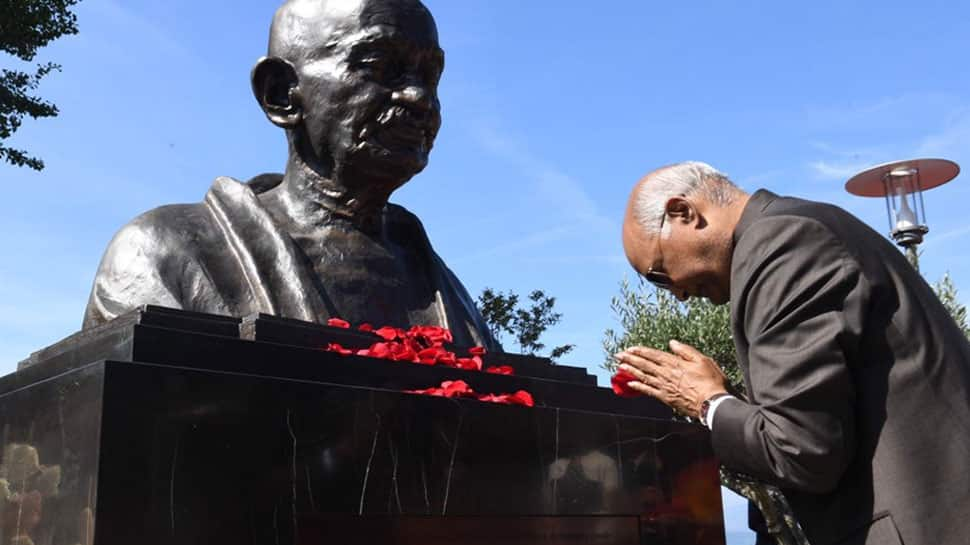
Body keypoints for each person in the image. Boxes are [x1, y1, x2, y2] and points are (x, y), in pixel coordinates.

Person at [83, 0, 498, 350]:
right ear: (281, 94)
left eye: (430, 76)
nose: (420, 98)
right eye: (380, 67)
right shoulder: (163, 253)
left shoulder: (442, 287)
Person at [614, 161, 970, 545]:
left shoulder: (780, 247)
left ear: (683, 213)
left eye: (659, 275)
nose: (679, 294)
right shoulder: (802, 227)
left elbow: (803, 453)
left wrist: (708, 404)